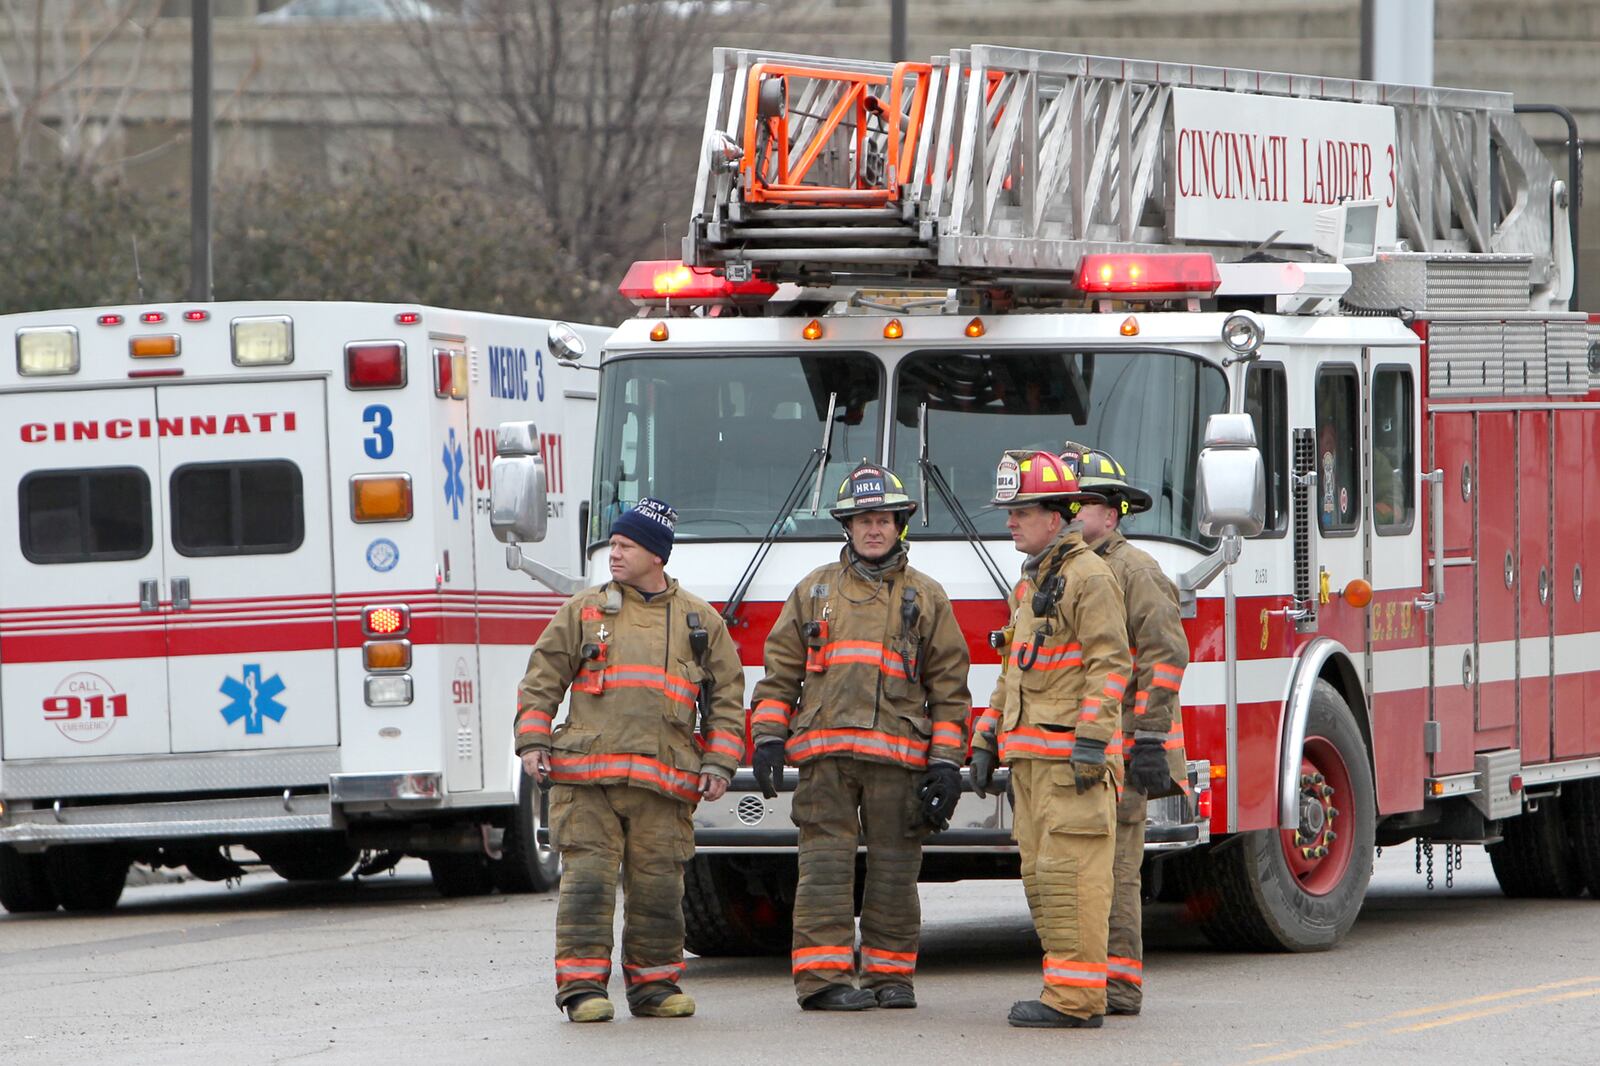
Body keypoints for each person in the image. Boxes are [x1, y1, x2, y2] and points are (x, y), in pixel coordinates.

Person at [749, 461, 972, 1012]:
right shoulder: (813, 591)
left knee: (896, 870)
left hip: (899, 762)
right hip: (824, 760)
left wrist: (946, 763)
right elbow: (780, 673)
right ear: (846, 526)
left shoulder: (927, 597)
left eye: (884, 519)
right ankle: (823, 981)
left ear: (901, 524)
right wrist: (769, 738)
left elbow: (950, 688)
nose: (874, 529)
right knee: (824, 868)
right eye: (863, 519)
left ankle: (889, 978)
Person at [514, 498, 747, 1023]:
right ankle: (581, 990)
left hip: (663, 790)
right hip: (587, 783)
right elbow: (541, 680)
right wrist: (532, 743)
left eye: (626, 546)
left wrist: (718, 764)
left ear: (656, 556)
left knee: (660, 888)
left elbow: (728, 699)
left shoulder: (699, 621)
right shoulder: (583, 611)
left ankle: (655, 988)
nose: (614, 554)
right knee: (588, 884)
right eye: (614, 544)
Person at [968, 450, 1131, 1029]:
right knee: (1044, 879)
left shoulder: (1089, 577)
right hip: (1034, 761)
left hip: (1071, 762)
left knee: (1073, 877)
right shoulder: (1033, 582)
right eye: (1010, 511)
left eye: (1021, 511)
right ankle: (1066, 989)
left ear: (1056, 514)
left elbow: (1111, 664)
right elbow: (1014, 671)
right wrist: (987, 737)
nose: (1010, 521)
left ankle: (1077, 999)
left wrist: (1091, 741)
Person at [1062, 442, 1190, 1017]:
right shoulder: (1066, 569)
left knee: (1114, 874)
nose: (1071, 514)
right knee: (1083, 872)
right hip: (1082, 750)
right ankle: (1089, 979)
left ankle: (1118, 986)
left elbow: (1166, 657)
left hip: (1124, 753)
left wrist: (1150, 743)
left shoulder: (1135, 571)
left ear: (1111, 515)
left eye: (1081, 504)